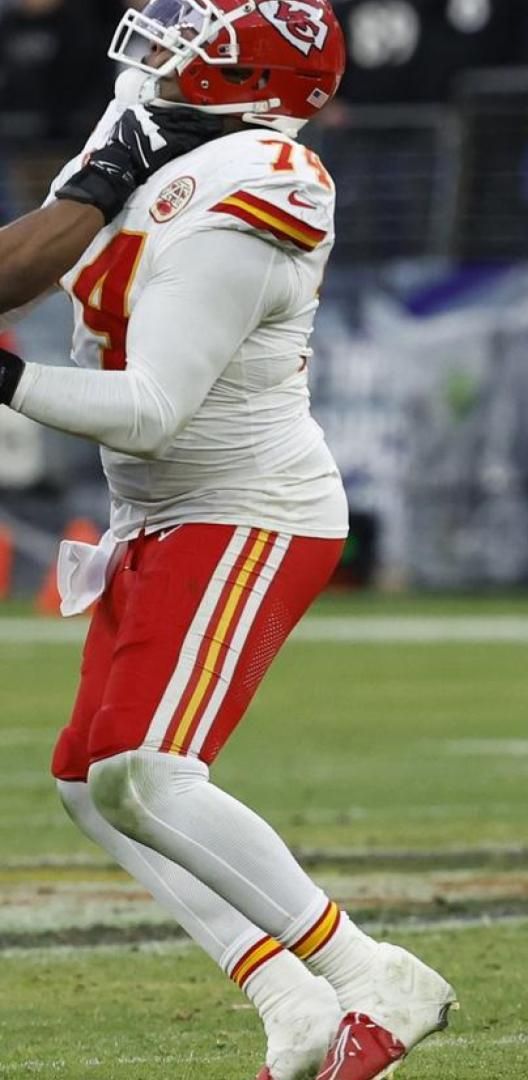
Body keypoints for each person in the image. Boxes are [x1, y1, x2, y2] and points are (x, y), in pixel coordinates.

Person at [0, 4, 455, 1079]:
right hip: (160, 513)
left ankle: (369, 973)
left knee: (147, 771)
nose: (152, 60)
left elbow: (154, 406)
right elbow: (32, 256)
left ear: (244, 78)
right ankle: (287, 996)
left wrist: (9, 379)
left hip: (247, 509)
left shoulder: (263, 179)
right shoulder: (154, 122)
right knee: (89, 779)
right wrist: (93, 179)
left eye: (182, 49)